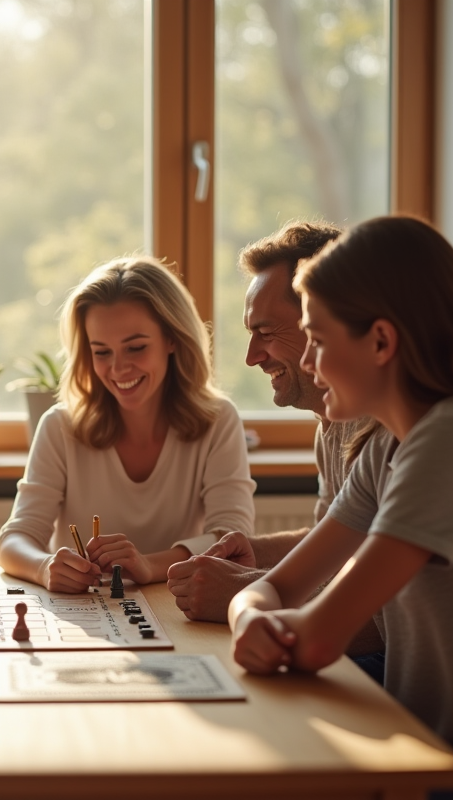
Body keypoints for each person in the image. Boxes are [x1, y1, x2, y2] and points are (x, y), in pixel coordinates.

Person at [228, 216, 453, 799]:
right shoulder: (386, 447)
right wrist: (250, 618)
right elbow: (273, 589)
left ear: (381, 342)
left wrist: (265, 624)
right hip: (441, 736)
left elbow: (319, 636)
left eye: (319, 341)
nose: (309, 363)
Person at [164, 220, 386, 682]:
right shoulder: (334, 423)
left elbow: (380, 621)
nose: (251, 357)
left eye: (266, 332)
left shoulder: (399, 436)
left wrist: (242, 592)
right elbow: (335, 539)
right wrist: (256, 554)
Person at [0, 256, 255, 592]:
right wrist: (43, 567)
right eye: (102, 352)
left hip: (177, 606)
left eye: (135, 348)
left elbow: (233, 538)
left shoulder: (218, 421)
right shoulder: (59, 427)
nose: (118, 369)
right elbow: (15, 539)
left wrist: (149, 565)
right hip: (86, 611)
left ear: (173, 339)